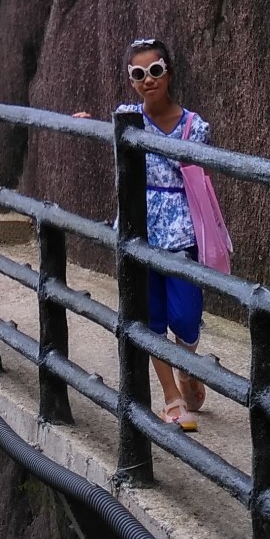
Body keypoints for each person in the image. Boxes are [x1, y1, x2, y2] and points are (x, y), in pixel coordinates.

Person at [76, 37, 209, 431]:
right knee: (150, 318)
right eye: (138, 74)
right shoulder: (126, 117)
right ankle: (171, 398)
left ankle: (187, 368)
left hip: (182, 228)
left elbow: (193, 166)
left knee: (186, 318)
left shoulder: (194, 126)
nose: (147, 80)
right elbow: (112, 137)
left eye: (155, 70)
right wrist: (90, 127)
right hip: (139, 228)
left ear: (168, 72)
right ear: (131, 80)